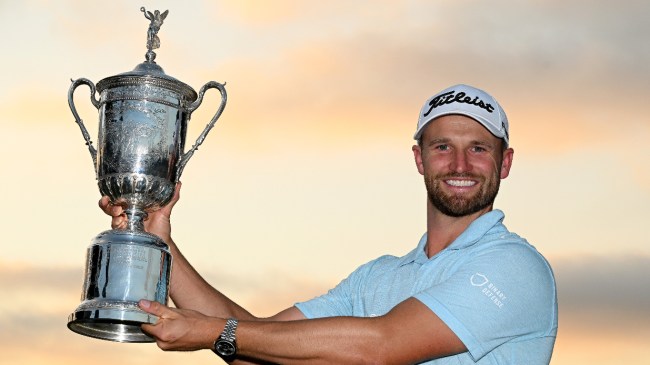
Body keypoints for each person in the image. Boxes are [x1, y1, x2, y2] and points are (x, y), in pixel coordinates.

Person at [101, 84, 558, 364]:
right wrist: (158, 239)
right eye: (442, 147)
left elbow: (380, 348)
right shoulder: (379, 278)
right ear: (419, 159)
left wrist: (213, 332)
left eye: (478, 148)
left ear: (505, 163)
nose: (460, 163)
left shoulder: (515, 268)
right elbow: (259, 347)